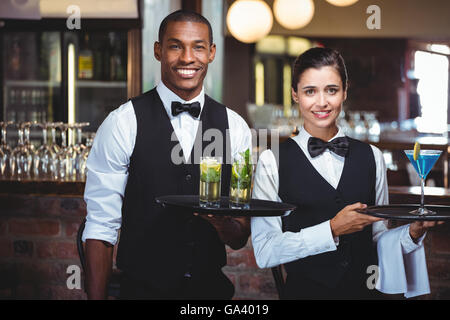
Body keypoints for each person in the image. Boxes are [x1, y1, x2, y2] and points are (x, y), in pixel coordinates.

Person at [82, 10, 252, 300]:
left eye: (198, 46)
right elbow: (101, 225)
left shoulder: (235, 127)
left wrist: (220, 221)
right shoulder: (123, 122)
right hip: (142, 290)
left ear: (211, 53)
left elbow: (239, 238)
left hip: (210, 293)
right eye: (175, 46)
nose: (187, 58)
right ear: (158, 50)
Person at [251, 47, 443, 299]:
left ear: (344, 91)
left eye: (331, 90)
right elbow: (265, 251)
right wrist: (331, 229)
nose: (322, 102)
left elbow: (378, 237)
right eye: (310, 91)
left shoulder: (372, 156)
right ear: (295, 94)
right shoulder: (271, 161)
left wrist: (411, 234)